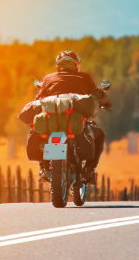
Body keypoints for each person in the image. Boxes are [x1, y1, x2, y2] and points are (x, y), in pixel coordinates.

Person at [35, 50, 111, 183]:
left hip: (52, 121)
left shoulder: (48, 78)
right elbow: (98, 93)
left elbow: (38, 98)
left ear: (58, 65)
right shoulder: (84, 77)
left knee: (37, 133)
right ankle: (88, 170)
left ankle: (44, 167)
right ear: (77, 65)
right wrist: (106, 103)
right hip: (75, 121)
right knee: (99, 135)